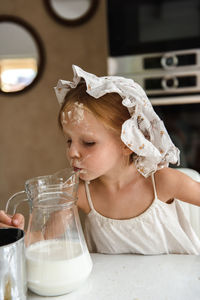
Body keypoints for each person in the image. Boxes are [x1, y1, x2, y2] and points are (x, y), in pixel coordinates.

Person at [1, 65, 200, 255]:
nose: (72, 152)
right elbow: (43, 237)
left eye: (88, 142)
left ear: (129, 143)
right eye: (69, 141)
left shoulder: (163, 182)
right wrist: (14, 234)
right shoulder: (79, 192)